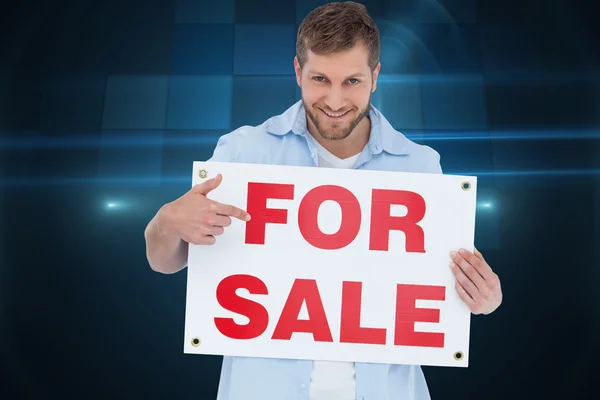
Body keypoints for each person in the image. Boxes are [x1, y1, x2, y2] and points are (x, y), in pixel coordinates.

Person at [144, 2, 503, 399]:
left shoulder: (420, 166)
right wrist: (166, 221)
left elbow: (442, 288)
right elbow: (165, 262)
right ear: (298, 72)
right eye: (320, 79)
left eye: (352, 81)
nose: (334, 101)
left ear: (375, 77)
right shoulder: (244, 153)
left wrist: (485, 298)